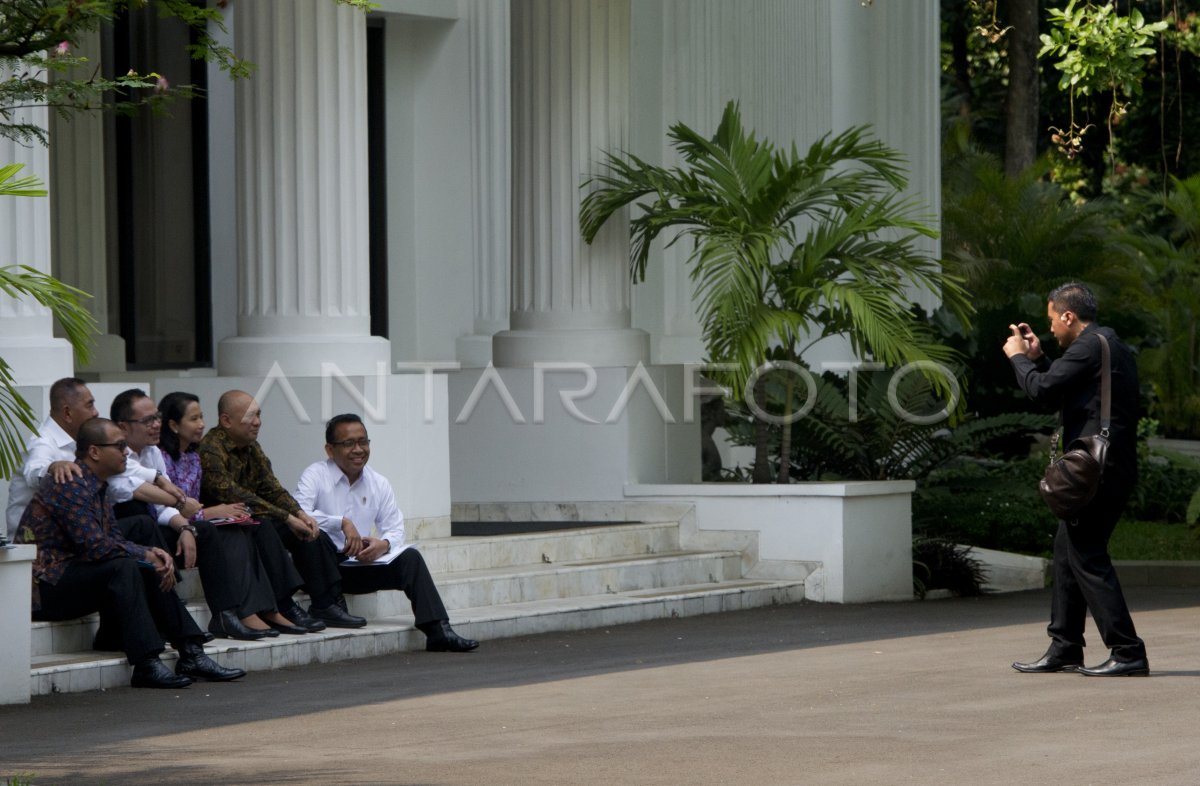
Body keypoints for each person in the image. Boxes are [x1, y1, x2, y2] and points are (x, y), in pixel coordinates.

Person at [14, 417, 245, 689]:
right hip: (44, 589)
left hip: (71, 574)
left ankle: (190, 650)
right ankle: (147, 663)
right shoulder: (70, 484)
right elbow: (94, 546)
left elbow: (110, 538)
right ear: (95, 452)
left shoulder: (97, 484)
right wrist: (146, 555)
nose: (126, 452)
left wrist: (150, 554)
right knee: (126, 565)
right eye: (119, 446)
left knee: (138, 552)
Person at [1004, 282, 1148, 677]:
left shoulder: (1088, 346)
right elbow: (1061, 393)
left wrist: (1019, 359)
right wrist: (1040, 357)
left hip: (1097, 471)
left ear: (1069, 316)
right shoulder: (1106, 344)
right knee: (1068, 553)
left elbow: (1039, 390)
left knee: (1086, 555)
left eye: (1052, 320)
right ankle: (1065, 645)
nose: (1050, 327)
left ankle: (1128, 650)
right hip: (1111, 467)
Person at [110, 388, 286, 641]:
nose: (155, 425)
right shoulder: (116, 453)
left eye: (156, 417)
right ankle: (176, 623)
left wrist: (184, 528)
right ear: (123, 427)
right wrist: (180, 501)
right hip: (124, 535)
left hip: (159, 528)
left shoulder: (153, 453)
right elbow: (130, 489)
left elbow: (164, 509)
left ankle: (226, 615)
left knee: (213, 530)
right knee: (142, 518)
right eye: (148, 420)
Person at [295, 414, 478, 652]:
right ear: (330, 450)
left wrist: (384, 544)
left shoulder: (378, 482)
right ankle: (328, 606)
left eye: (364, 442)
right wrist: (341, 522)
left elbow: (395, 527)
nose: (358, 449)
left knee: (410, 558)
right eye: (349, 443)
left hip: (355, 565)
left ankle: (438, 630)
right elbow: (298, 514)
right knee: (313, 536)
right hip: (319, 568)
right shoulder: (315, 475)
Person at [198, 390, 341, 632]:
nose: (258, 422)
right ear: (226, 421)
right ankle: (284, 605)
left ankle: (326, 603)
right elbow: (236, 495)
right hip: (225, 526)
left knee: (308, 532)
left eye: (259, 415)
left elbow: (271, 487)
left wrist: (299, 514)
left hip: (251, 519)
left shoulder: (252, 447)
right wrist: (286, 517)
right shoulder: (211, 448)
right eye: (250, 416)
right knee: (267, 527)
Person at [6, 378, 190, 544]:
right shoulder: (43, 441)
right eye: (89, 405)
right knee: (141, 524)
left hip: (79, 532)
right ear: (68, 413)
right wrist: (53, 466)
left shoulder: (84, 438)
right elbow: (33, 471)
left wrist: (158, 478)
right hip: (39, 542)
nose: (96, 412)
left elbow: (122, 473)